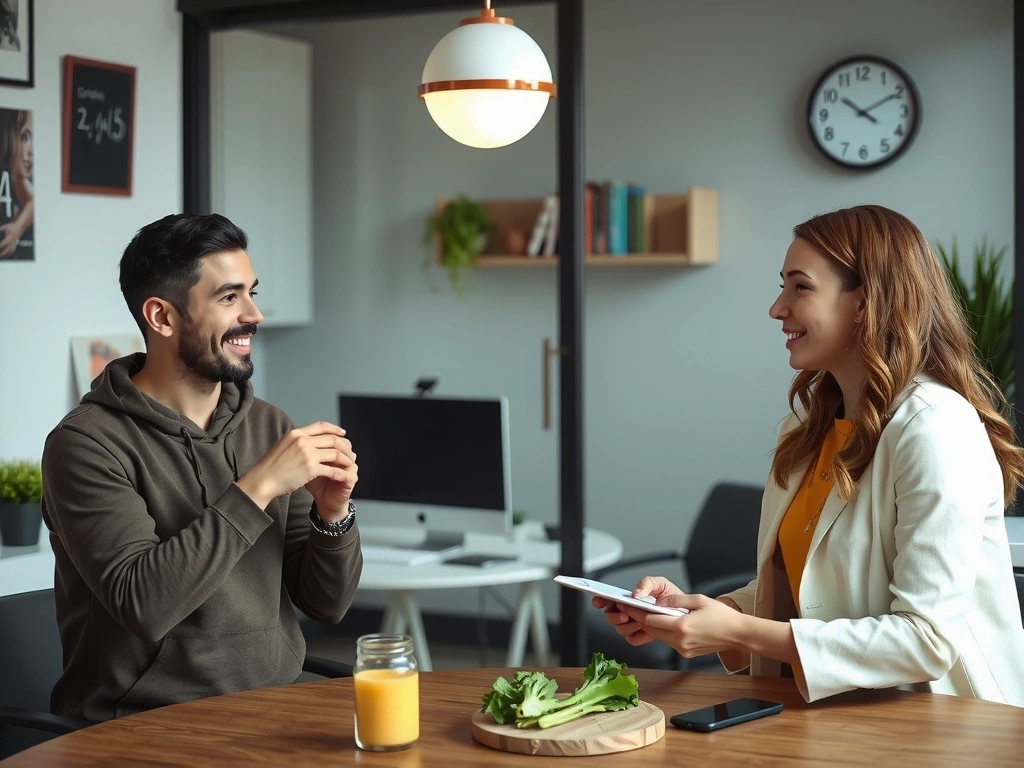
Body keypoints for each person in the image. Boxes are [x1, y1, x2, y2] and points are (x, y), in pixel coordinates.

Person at [595, 205, 1024, 707]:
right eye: (783, 286)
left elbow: (925, 642)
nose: (777, 308)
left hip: (941, 725)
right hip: (825, 714)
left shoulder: (934, 428)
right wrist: (700, 610)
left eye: (800, 287)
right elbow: (817, 592)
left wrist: (740, 632)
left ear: (864, 301)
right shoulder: (805, 431)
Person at [41, 213, 363, 721]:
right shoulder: (85, 444)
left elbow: (327, 605)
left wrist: (333, 514)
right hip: (143, 726)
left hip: (272, 712)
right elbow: (144, 604)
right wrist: (256, 488)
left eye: (252, 293)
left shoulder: (267, 424)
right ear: (162, 317)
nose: (255, 315)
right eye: (229, 297)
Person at [0, 108, 33, 260]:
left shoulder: (18, 176)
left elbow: (32, 201)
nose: (31, 151)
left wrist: (17, 228)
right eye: (24, 137)